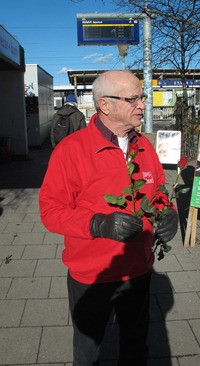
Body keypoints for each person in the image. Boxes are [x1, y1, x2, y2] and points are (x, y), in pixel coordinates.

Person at [39, 70, 178, 366]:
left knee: (136, 345)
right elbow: (50, 212)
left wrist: (169, 213)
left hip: (138, 270)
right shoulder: (71, 151)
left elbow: (158, 194)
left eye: (141, 97)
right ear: (105, 105)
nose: (143, 105)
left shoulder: (144, 146)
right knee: (89, 353)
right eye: (133, 99)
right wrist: (96, 224)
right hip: (92, 276)